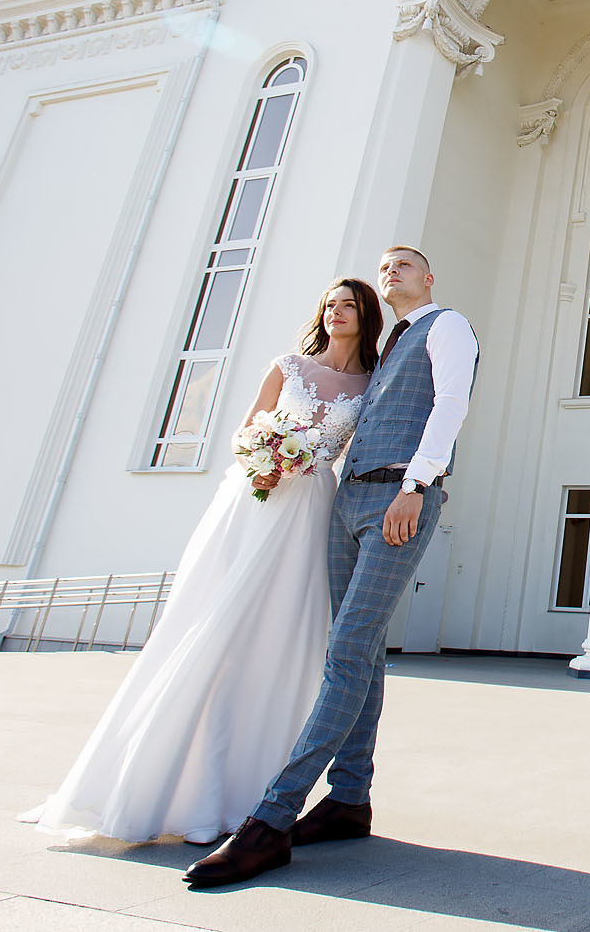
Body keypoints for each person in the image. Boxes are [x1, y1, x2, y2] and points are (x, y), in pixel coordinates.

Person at [19, 279, 383, 844]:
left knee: (279, 640)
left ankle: (248, 793)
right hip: (257, 500)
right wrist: (262, 459)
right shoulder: (287, 367)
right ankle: (168, 785)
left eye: (349, 305)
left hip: (313, 509)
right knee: (217, 625)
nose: (337, 313)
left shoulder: (371, 382)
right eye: (329, 305)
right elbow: (244, 433)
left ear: (366, 315)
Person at [184, 244, 479, 888]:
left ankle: (271, 820)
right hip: (347, 500)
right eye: (384, 267)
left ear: (428, 278)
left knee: (345, 651)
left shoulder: (447, 325)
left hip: (398, 498)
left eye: (404, 264)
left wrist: (418, 484)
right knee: (360, 652)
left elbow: (450, 403)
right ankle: (349, 798)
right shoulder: (382, 351)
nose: (391, 271)